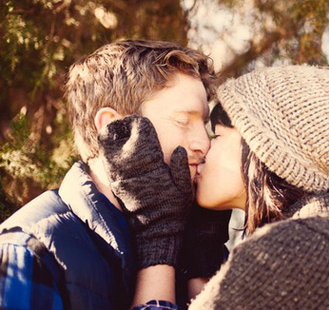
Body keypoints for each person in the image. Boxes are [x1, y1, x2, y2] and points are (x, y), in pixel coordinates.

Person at [117, 64, 329, 309]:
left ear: (263, 149)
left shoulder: (299, 248)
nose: (203, 147)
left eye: (217, 135)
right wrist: (202, 256)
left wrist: (157, 235)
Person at [0, 40, 227, 310]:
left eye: (203, 124)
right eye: (182, 121)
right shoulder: (28, 251)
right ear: (114, 128)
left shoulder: (198, 246)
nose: (204, 143)